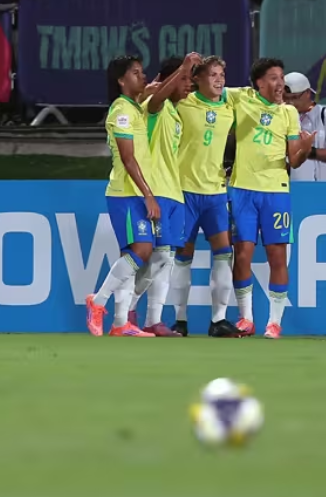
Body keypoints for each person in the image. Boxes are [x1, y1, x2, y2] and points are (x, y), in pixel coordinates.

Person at [226, 58, 315, 339]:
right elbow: (211, 90)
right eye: (274, 78)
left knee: (277, 256)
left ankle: (274, 322)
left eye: (282, 78)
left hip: (276, 191)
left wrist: (305, 148)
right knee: (242, 254)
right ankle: (246, 318)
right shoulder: (241, 99)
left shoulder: (288, 112)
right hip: (242, 190)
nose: (281, 84)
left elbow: (294, 160)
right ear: (260, 82)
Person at [85, 56, 165, 338]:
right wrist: (149, 195)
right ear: (121, 81)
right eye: (135, 73)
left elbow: (147, 95)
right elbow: (128, 159)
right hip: (125, 193)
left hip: (134, 193)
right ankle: (98, 301)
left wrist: (150, 90)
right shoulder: (121, 111)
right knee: (142, 250)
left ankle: (120, 323)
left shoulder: (133, 107)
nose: (142, 77)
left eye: (142, 72)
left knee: (130, 256)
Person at [122, 56, 199, 337]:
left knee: (166, 259)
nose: (189, 85)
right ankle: (127, 310)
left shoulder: (176, 113)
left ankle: (153, 320)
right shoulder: (155, 106)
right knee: (156, 257)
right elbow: (156, 99)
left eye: (190, 80)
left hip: (174, 192)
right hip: (157, 192)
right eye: (184, 79)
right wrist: (182, 68)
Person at [170, 55, 243, 338]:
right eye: (213, 74)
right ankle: (180, 320)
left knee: (224, 254)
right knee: (182, 256)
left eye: (222, 75)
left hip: (215, 194)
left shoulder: (229, 108)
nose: (219, 80)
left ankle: (218, 320)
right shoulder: (183, 104)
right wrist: (184, 68)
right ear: (197, 78)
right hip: (185, 191)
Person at [283, 72, 326, 182]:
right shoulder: (281, 118)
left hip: (322, 185)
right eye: (286, 98)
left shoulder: (325, 115)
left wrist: (308, 152)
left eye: (294, 97)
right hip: (291, 186)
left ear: (307, 93)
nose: (290, 102)